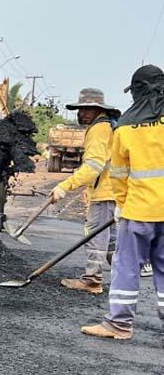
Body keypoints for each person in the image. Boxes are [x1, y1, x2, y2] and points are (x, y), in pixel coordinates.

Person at [82, 65, 164, 340]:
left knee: (127, 266)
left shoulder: (126, 126)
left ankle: (119, 324)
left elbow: (118, 174)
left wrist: (121, 205)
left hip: (139, 210)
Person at [50, 88, 120, 294]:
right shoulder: (108, 126)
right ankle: (122, 279)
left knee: (96, 236)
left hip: (106, 193)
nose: (80, 114)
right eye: (80, 109)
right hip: (114, 191)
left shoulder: (99, 129)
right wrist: (90, 188)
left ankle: (92, 280)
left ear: (95, 110)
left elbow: (93, 166)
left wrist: (64, 186)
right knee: (113, 241)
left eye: (85, 109)